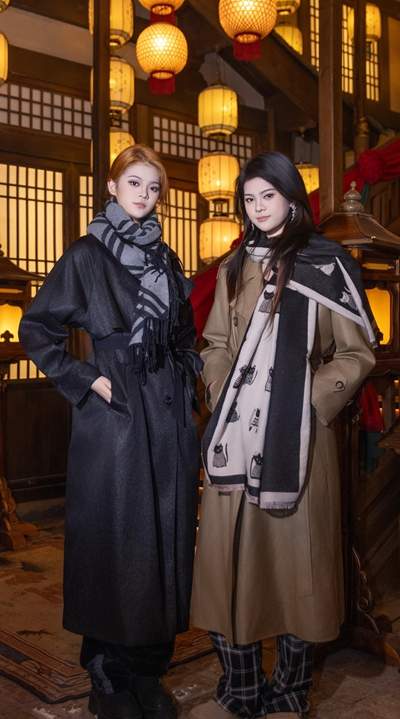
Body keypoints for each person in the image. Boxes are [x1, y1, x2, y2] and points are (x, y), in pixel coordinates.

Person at [189, 151, 376, 719]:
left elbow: (356, 353)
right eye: (249, 199)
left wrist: (308, 400)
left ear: (292, 198)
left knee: (299, 570)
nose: (258, 207)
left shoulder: (326, 263)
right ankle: (239, 691)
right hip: (236, 436)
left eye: (267, 195)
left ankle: (290, 695)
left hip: (300, 441)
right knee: (226, 565)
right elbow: (215, 343)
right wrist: (222, 388)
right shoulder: (234, 265)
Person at [19, 144, 201, 719]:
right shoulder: (87, 254)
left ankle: (148, 672)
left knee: (166, 538)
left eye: (154, 187)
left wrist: (188, 380)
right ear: (113, 186)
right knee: (115, 540)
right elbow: (36, 328)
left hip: (167, 414)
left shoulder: (166, 258)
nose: (144, 195)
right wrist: (86, 378)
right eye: (135, 183)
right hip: (116, 411)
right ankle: (107, 676)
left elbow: (184, 332)